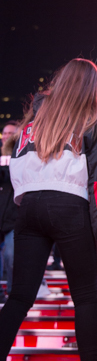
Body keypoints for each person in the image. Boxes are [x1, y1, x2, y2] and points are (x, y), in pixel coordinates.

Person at [0, 59, 97, 361]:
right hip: (68, 207)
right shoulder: (96, 119)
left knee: (18, 299)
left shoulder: (35, 117)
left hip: (29, 207)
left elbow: (16, 162)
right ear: (92, 87)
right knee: (86, 298)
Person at [0, 122, 18, 302]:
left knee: (11, 256)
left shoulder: (23, 155)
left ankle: (14, 295)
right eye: (4, 133)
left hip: (15, 215)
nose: (6, 136)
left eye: (10, 133)